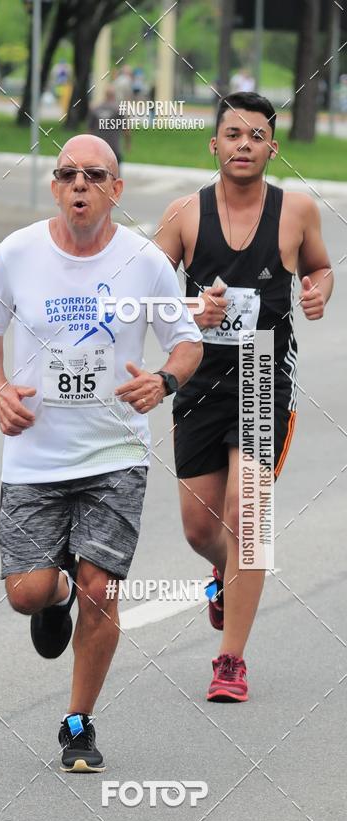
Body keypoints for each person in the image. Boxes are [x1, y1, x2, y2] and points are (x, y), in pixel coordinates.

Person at [0, 134, 202, 771]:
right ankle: (55, 594)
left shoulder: (145, 261)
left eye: (94, 175)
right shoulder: (18, 252)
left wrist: (164, 380)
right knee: (26, 592)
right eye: (68, 173)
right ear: (54, 186)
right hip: (34, 455)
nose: (80, 184)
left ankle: (78, 722)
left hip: (115, 453)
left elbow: (186, 342)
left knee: (102, 589)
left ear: (115, 190)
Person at [154, 91, 333, 703]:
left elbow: (320, 268)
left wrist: (318, 291)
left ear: (271, 148)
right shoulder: (183, 214)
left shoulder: (297, 211)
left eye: (256, 136)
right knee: (201, 526)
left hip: (262, 375)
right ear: (215, 144)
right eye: (233, 134)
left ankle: (230, 660)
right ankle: (223, 575)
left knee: (245, 516)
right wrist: (187, 309)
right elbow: (144, 295)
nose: (244, 145)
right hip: (199, 378)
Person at [88, 85, 131, 167]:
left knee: (99, 173)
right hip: (114, 148)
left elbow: (89, 130)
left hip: (98, 148)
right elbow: (126, 129)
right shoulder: (118, 110)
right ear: (114, 95)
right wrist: (127, 143)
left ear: (105, 95)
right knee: (115, 173)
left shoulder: (96, 109)